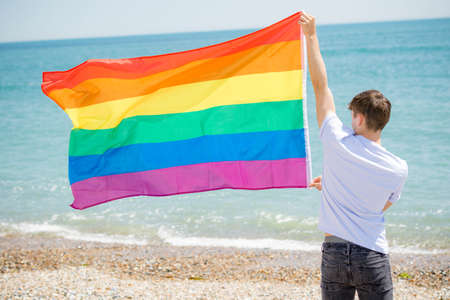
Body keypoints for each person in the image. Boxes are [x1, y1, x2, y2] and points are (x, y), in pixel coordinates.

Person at [298, 12, 408, 300]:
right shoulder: (398, 168)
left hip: (333, 253)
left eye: (352, 115)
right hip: (371, 255)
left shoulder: (337, 139)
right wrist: (336, 185)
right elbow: (378, 206)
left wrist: (311, 36)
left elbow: (321, 86)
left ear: (359, 119)